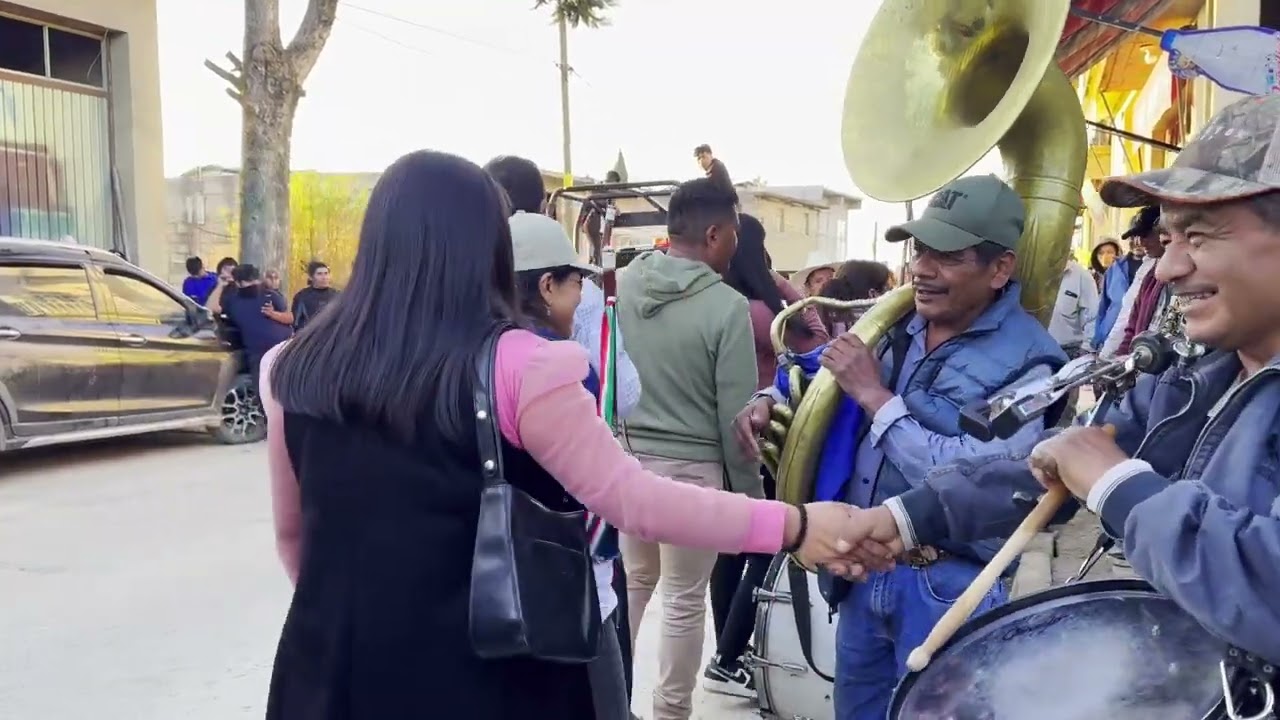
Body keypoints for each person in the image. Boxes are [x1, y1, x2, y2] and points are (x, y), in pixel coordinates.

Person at [257, 149, 891, 720]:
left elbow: (296, 540)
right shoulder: (521, 365)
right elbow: (634, 501)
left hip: (328, 670)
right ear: (487, 246)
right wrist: (794, 526)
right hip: (482, 676)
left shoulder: (290, 366)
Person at [856, 93, 1280, 684]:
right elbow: (1057, 465)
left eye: (1201, 237)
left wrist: (1120, 486)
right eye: (1170, 238)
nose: (1165, 269)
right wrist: (905, 518)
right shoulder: (1194, 376)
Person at [734, 174, 1068, 720]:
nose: (922, 270)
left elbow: (978, 477)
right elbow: (821, 373)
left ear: (1000, 268)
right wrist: (770, 398)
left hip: (949, 587)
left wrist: (875, 396)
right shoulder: (897, 322)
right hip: (866, 571)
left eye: (948, 256)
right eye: (921, 251)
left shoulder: (1035, 365)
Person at [486, 153, 643, 702]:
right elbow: (626, 396)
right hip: (570, 572)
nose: (581, 295)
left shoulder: (466, 344)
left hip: (489, 587)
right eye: (574, 284)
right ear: (550, 284)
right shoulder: (559, 358)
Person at [615, 177, 759, 720]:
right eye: (736, 233)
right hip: (692, 473)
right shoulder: (727, 307)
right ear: (716, 233)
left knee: (636, 583)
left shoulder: (629, 282)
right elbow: (737, 421)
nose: (736, 245)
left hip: (628, 463)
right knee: (682, 598)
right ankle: (670, 713)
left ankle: (608, 697)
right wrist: (747, 498)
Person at [703, 213, 829, 698]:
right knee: (767, 543)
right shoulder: (768, 307)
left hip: (731, 437)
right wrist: (776, 281)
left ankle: (725, 655)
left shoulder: (723, 300)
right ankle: (732, 653)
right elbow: (820, 340)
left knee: (731, 549)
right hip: (773, 433)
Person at [1098, 206, 1166, 358]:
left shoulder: (1172, 274)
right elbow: (1129, 320)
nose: (1140, 242)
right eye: (1135, 236)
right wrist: (1113, 356)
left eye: (1145, 235)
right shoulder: (1147, 272)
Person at [221, 264, 291, 382]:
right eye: (249, 281)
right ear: (238, 283)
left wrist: (274, 314)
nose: (254, 284)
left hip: (281, 349)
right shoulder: (233, 301)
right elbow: (213, 308)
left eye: (254, 280)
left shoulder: (270, 295)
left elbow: (291, 318)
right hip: (261, 352)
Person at [818, 260, 895, 336]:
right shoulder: (875, 328)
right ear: (872, 294)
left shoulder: (823, 314)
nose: (892, 293)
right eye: (889, 289)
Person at [1048, 255, 1099, 358]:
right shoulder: (1029, 272)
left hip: (1068, 350)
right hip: (1032, 351)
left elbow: (1093, 317)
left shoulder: (1082, 276)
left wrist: (1086, 350)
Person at [291, 261, 340, 332]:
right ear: (311, 277)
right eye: (319, 274)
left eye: (326, 273)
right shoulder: (302, 296)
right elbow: (296, 323)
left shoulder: (337, 295)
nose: (324, 277)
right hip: (310, 337)